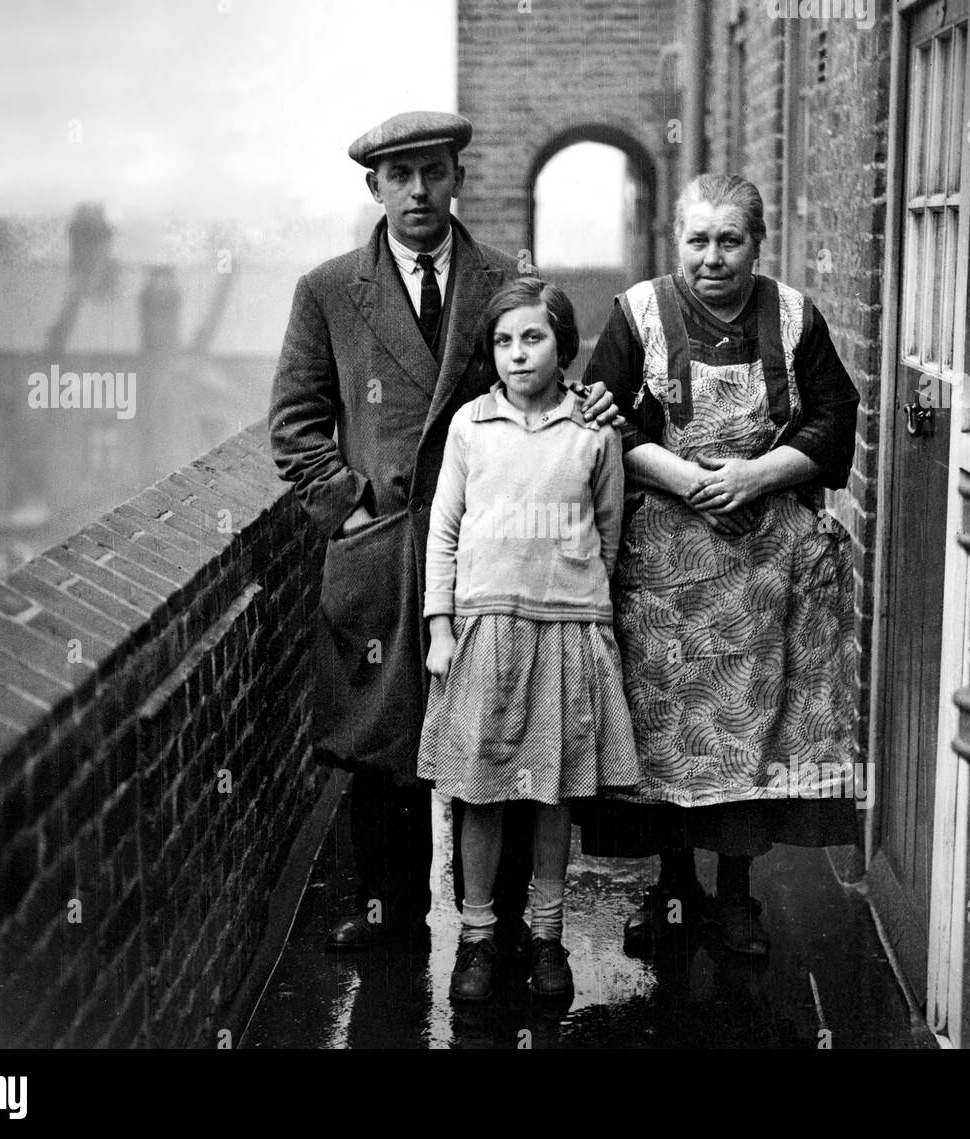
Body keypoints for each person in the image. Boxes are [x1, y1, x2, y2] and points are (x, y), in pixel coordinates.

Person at [268, 111, 618, 955]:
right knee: (380, 744)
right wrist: (354, 513)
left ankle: (482, 926)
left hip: (494, 552)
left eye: (432, 171)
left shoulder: (503, 280)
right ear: (374, 189)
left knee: (491, 737)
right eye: (399, 176)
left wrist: (596, 405)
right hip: (384, 551)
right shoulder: (328, 291)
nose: (417, 191)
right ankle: (388, 911)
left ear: (457, 176)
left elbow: (547, 379)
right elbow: (294, 426)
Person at [578, 173, 862, 959]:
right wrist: (694, 484)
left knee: (752, 729)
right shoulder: (637, 315)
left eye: (730, 240)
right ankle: (672, 890)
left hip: (763, 564)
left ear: (756, 242)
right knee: (668, 730)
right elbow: (600, 420)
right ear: (679, 242)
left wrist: (755, 475)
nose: (713, 257)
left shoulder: (796, 317)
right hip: (669, 563)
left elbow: (836, 419)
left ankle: (738, 899)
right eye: (698, 240)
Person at [419, 278, 639, 1001]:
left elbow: (608, 531)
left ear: (562, 344)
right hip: (485, 630)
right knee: (479, 793)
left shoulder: (592, 428)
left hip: (566, 631)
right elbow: (444, 532)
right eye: (504, 341)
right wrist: (441, 626)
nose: (518, 354)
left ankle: (547, 937)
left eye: (534, 338)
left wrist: (583, 608)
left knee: (551, 794)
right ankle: (477, 940)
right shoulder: (469, 427)